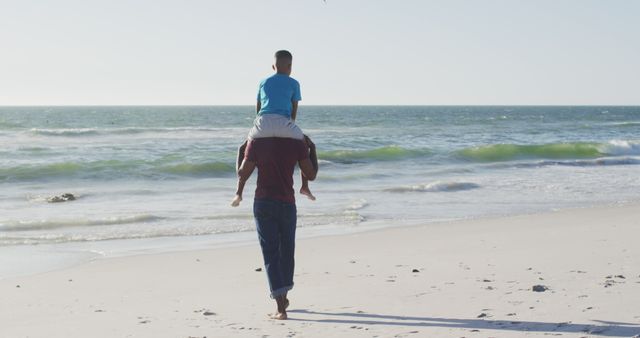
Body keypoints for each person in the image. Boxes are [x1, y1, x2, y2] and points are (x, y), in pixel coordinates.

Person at [237, 135, 318, 320]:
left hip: (264, 203)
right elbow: (311, 175)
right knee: (287, 251)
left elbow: (242, 174)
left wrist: (240, 151)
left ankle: (281, 308)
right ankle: (284, 298)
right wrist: (312, 148)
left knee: (271, 253)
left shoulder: (257, 142)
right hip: (287, 204)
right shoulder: (296, 142)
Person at [231, 50, 317, 207]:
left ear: (273, 66)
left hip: (263, 124)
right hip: (285, 124)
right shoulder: (294, 83)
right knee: (303, 145)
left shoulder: (263, 82)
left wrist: (258, 125)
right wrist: (291, 127)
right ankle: (304, 187)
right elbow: (294, 108)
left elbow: (258, 107)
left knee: (247, 150)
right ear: (290, 66)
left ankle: (239, 193)